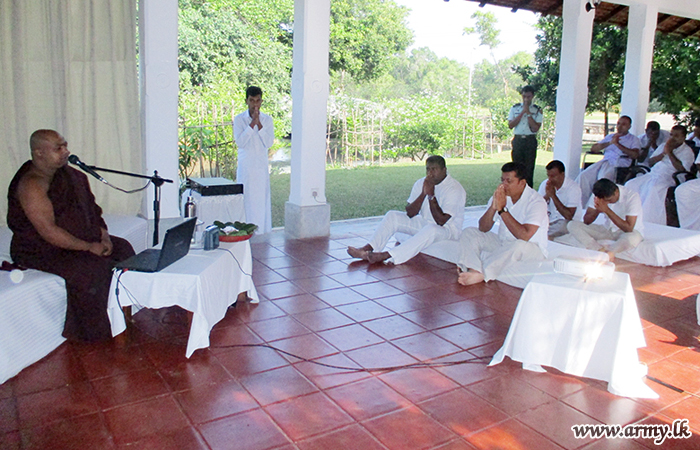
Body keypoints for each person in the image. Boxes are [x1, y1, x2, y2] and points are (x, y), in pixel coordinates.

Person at [7, 130, 135, 342]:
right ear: (39, 153)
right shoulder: (32, 184)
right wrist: (89, 247)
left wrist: (104, 238)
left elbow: (93, 212)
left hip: (79, 240)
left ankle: (124, 314)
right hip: (40, 249)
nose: (66, 151)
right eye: (58, 148)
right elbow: (48, 231)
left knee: (123, 249)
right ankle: (95, 332)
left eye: (65, 145)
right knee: (92, 269)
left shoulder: (73, 176)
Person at [347, 155, 465, 265]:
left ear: (444, 170)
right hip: (425, 223)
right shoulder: (422, 183)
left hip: (448, 230)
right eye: (428, 169)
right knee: (392, 216)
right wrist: (423, 194)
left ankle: (387, 255)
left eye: (434, 169)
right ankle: (368, 249)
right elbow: (410, 213)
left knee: (432, 229)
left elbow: (441, 221)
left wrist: (431, 196)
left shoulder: (454, 189)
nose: (430, 173)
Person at [457, 162, 548, 286]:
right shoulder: (501, 196)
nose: (503, 185)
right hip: (503, 243)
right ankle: (474, 270)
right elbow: (483, 228)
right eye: (502, 180)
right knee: (469, 232)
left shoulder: (536, 201)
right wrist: (493, 207)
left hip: (531, 249)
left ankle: (484, 274)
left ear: (522, 183)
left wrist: (502, 210)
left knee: (519, 245)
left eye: (509, 181)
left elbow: (525, 236)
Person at [625, 125, 694, 225]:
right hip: (653, 174)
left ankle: (649, 220)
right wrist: (663, 153)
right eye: (671, 135)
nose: (672, 138)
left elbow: (681, 169)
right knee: (631, 184)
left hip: (670, 177)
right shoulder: (664, 146)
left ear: (683, 137)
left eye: (676, 136)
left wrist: (670, 153)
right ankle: (630, 216)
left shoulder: (687, 151)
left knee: (654, 188)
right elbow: (650, 162)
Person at [566, 179, 643, 260]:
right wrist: (598, 209)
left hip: (628, 233)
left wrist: (606, 210)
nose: (608, 202)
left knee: (632, 238)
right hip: (607, 230)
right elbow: (586, 221)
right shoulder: (598, 195)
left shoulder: (632, 196)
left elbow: (628, 228)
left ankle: (611, 252)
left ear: (616, 192)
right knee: (572, 225)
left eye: (609, 200)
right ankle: (598, 250)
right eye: (605, 201)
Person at [233, 86, 274, 234]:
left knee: (260, 199)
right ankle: (245, 230)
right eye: (252, 101)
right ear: (246, 101)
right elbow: (240, 142)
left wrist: (259, 125)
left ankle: (261, 230)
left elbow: (269, 143)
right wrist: (252, 125)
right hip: (246, 166)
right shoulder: (239, 119)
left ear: (261, 101)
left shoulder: (267, 120)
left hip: (260, 166)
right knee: (246, 199)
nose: (255, 104)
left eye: (257, 101)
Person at [576, 115, 641, 207]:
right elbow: (594, 148)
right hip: (605, 161)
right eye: (618, 124)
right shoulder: (610, 137)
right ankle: (580, 204)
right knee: (584, 176)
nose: (620, 126)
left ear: (629, 126)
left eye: (623, 124)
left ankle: (595, 206)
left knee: (603, 179)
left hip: (619, 163)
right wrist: (610, 142)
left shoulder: (633, 139)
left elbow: (635, 155)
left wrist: (618, 144)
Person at [507, 85, 543, 188]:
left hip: (530, 140)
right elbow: (511, 125)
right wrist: (522, 112)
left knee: (529, 169)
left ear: (532, 96)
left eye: (528, 97)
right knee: (516, 169)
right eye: (524, 96)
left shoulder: (537, 110)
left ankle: (528, 191)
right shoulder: (515, 108)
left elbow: (535, 128)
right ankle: (516, 189)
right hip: (518, 140)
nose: (526, 99)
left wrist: (528, 113)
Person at [537, 160, 581, 239]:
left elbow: (569, 216)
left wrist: (553, 196)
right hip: (549, 221)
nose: (550, 179)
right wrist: (547, 196)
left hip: (566, 222)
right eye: (548, 176)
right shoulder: (545, 184)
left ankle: (544, 236)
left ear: (562, 174)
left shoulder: (573, 188)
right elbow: (537, 206)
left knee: (564, 226)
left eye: (553, 176)